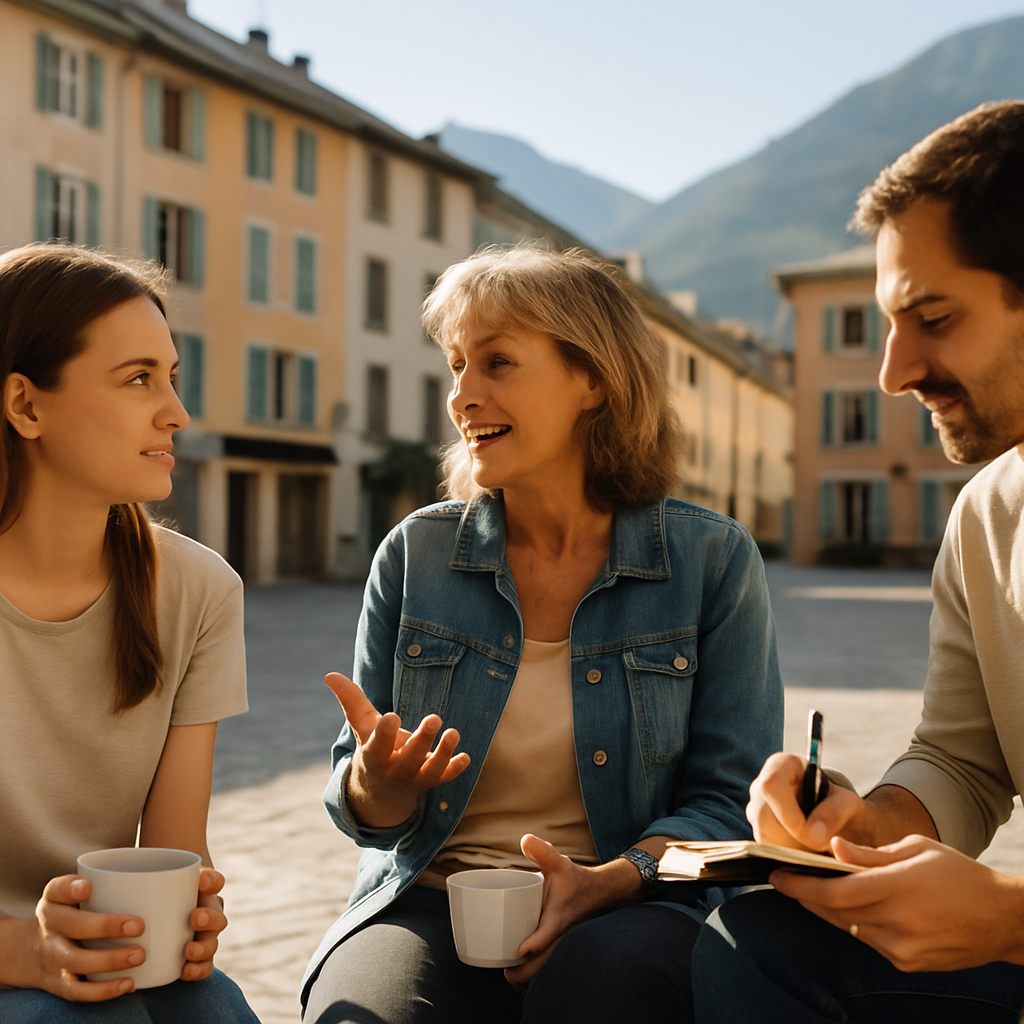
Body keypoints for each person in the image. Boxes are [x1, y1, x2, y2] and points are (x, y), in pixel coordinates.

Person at [301, 244, 784, 1024]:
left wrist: (614, 879)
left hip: (632, 904)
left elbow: (731, 808)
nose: (462, 395)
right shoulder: (416, 553)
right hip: (430, 900)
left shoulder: (711, 560)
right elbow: (362, 803)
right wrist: (377, 787)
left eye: (497, 363)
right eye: (456, 365)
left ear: (593, 379)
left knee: (602, 988)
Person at [692, 100, 1024, 1024]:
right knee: (750, 946)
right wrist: (858, 826)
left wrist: (1011, 925)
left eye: (933, 316)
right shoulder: (989, 516)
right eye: (887, 322)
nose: (893, 371)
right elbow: (962, 761)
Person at [0, 244, 259, 1023]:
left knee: (213, 1009)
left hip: (104, 950)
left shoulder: (200, 590)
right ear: (27, 406)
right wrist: (22, 950)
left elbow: (176, 845)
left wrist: (193, 916)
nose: (175, 412)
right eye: (138, 378)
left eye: (171, 377)